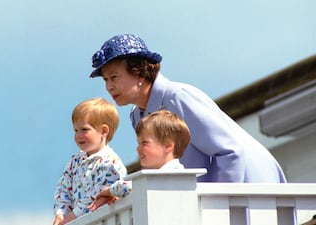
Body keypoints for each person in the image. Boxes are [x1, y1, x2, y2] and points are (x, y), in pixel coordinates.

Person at [88, 34, 286, 183]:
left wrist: (218, 210)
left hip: (254, 190)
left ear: (140, 72)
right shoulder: (137, 115)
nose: (108, 87)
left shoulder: (177, 97)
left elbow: (229, 151)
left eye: (114, 77)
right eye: (105, 80)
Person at [89, 109, 191, 211]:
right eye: (138, 143)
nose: (138, 148)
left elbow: (130, 186)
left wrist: (109, 191)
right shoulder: (160, 175)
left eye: (144, 142)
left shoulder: (173, 172)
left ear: (168, 146)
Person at [53, 98, 127, 225]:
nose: (78, 135)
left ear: (104, 131)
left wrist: (69, 219)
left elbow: (95, 196)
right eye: (76, 130)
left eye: (84, 129)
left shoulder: (110, 163)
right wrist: (61, 213)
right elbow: (63, 188)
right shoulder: (75, 161)